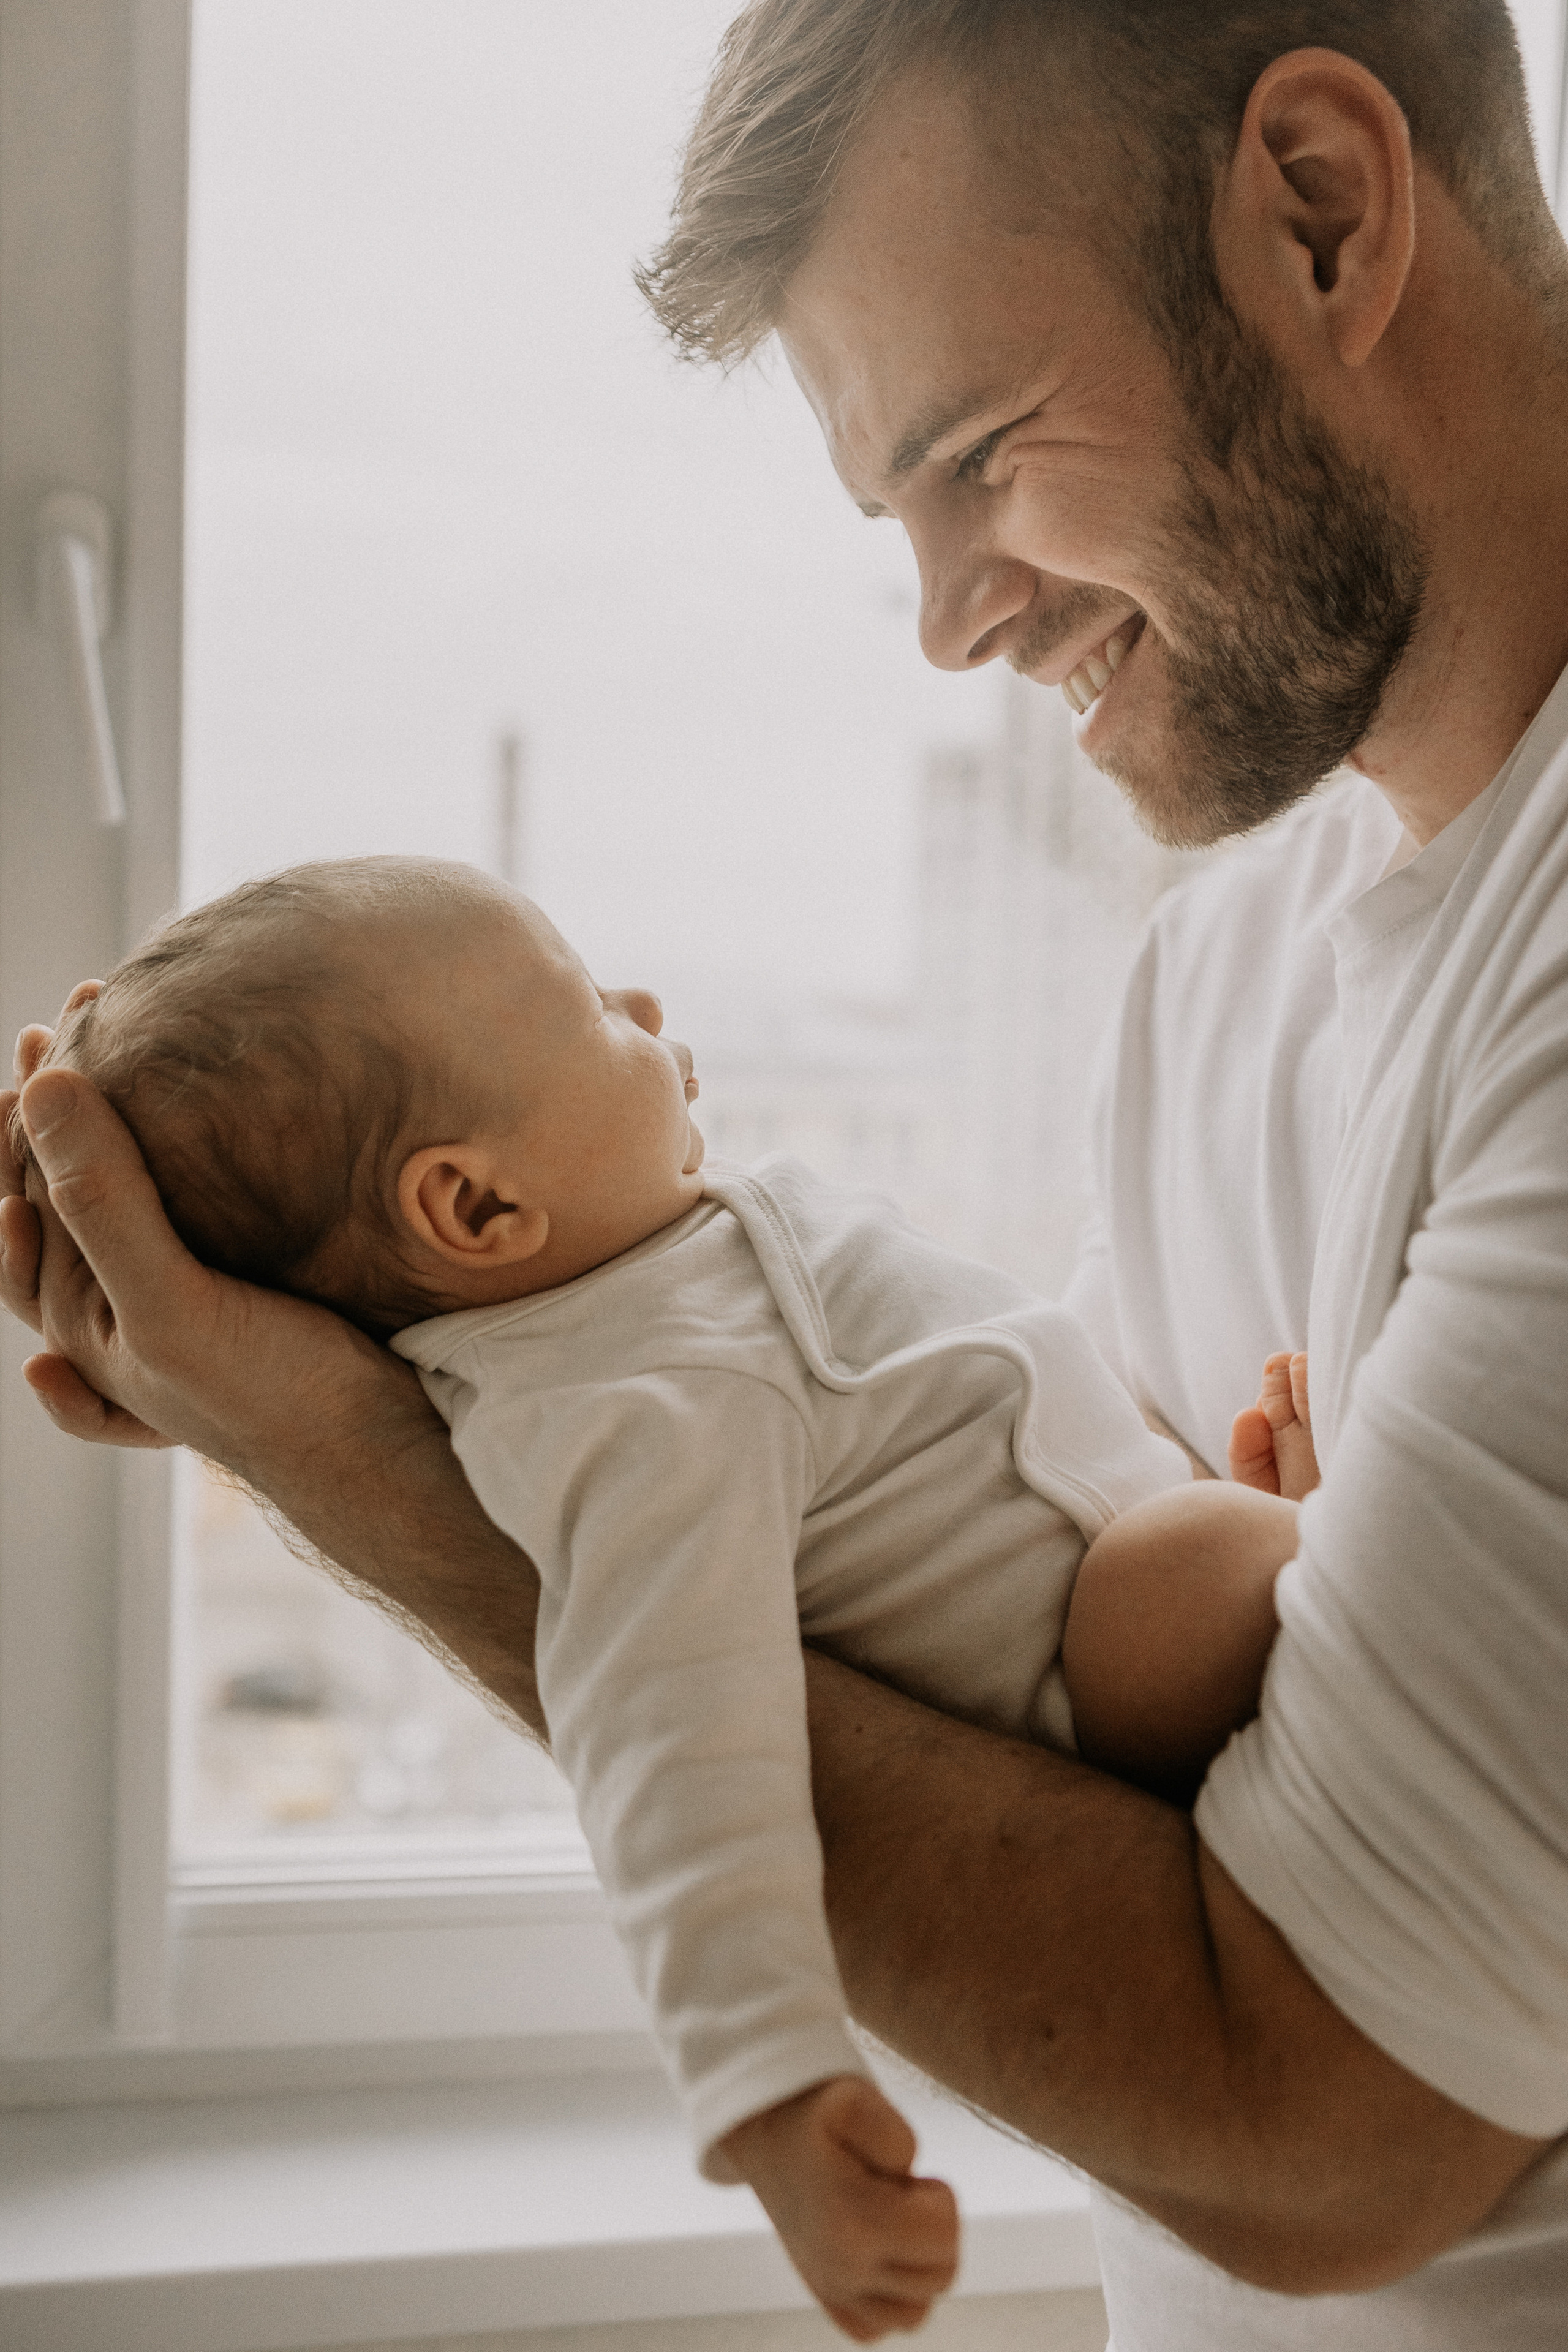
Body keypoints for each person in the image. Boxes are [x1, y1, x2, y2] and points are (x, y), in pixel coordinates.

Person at [6, 0, 1566, 2341]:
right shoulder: (1229, 963)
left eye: (981, 453)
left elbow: (1320, 2107)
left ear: (1324, 213)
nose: (949, 623)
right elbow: (1093, 1794)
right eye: (895, 517)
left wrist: (399, 1495)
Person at [20, 855, 1312, 2340]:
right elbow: (675, 1752)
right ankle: (1306, 1567)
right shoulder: (628, 1410)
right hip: (1109, 1687)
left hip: (1123, 1585)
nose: (642, 1008)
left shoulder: (643, 1283)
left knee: (1194, 1537)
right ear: (477, 1203)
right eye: (588, 1009)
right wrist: (765, 2085)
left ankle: (1278, 1556)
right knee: (1186, 1567)